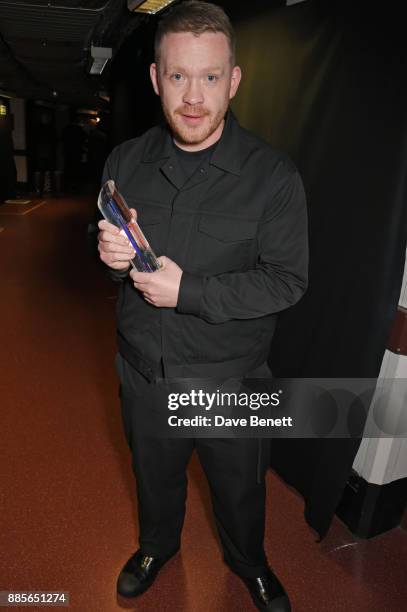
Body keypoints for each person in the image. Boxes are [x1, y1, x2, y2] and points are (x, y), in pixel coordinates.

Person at [97, 2, 308, 610]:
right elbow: (111, 247)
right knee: (153, 480)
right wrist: (109, 257)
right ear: (156, 78)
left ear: (234, 80)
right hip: (143, 372)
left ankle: (251, 564)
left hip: (229, 378)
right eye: (179, 76)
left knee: (240, 491)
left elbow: (287, 281)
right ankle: (156, 547)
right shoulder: (125, 162)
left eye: (211, 77)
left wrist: (188, 291)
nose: (194, 97)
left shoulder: (273, 177)